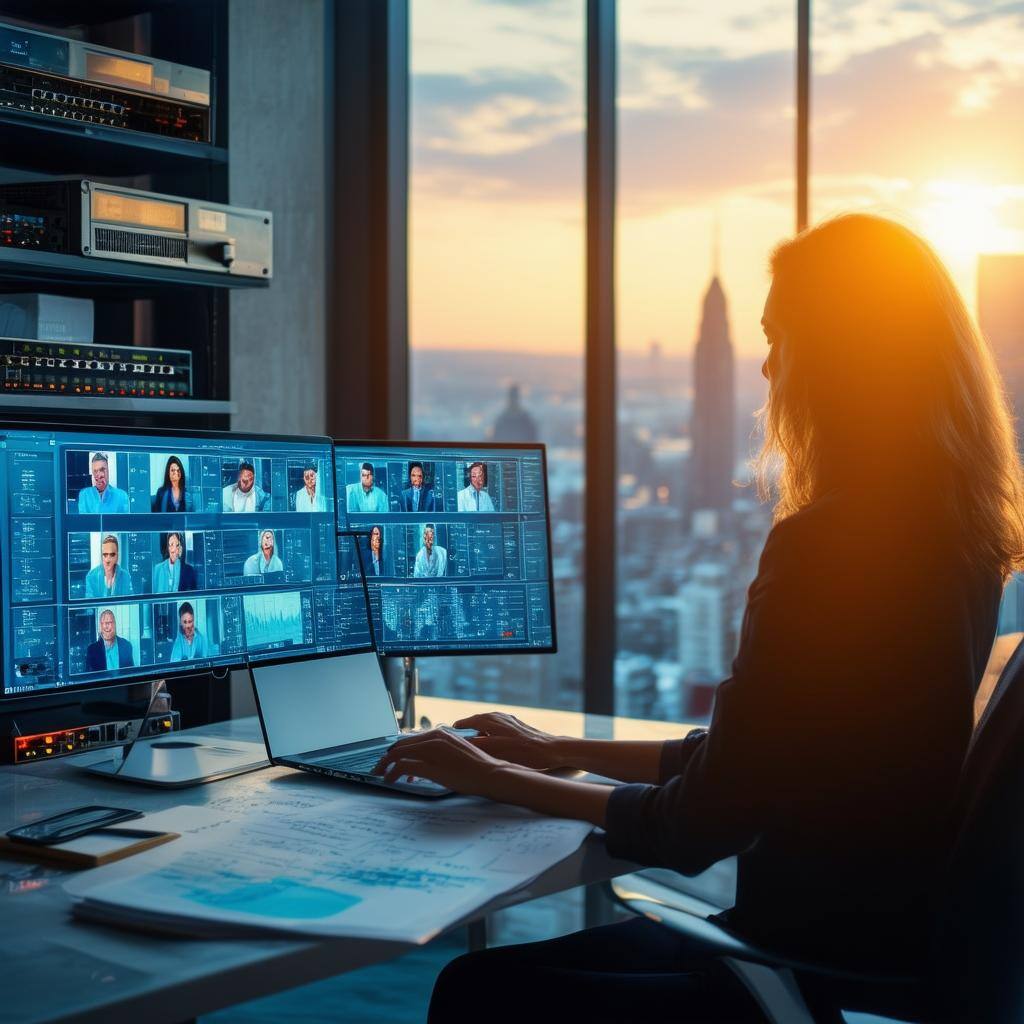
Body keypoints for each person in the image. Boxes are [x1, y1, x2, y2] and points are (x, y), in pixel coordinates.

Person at [374, 214, 1024, 1020]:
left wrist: (491, 777)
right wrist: (559, 748)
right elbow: (766, 759)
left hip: (791, 960)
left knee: (477, 993)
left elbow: (697, 826)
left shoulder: (828, 545)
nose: (767, 363)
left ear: (845, 358)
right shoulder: (954, 530)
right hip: (867, 941)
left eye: (782, 337)